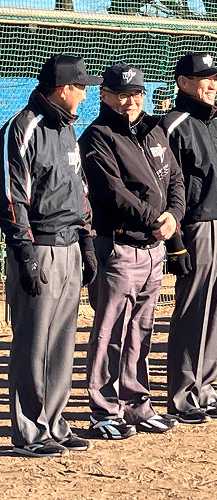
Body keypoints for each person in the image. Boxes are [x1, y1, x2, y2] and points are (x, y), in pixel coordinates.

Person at [0, 54, 100, 457]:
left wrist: (87, 239)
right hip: (39, 247)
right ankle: (29, 432)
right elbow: (11, 197)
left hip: (70, 244)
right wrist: (24, 254)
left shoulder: (67, 129)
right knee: (32, 342)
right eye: (82, 87)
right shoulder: (22, 127)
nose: (85, 95)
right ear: (64, 89)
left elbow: (80, 187)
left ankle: (54, 423)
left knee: (61, 341)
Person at [79, 64, 185, 439]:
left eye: (136, 93)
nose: (130, 101)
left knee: (141, 330)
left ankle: (137, 405)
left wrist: (173, 216)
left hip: (153, 247)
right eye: (122, 95)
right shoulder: (97, 136)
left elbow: (175, 179)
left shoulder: (154, 130)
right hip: (118, 246)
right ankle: (105, 411)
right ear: (105, 95)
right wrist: (155, 218)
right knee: (111, 332)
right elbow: (111, 192)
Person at [161, 52, 217, 423]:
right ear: (183, 83)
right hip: (196, 227)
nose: (212, 85)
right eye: (205, 78)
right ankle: (183, 395)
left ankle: (205, 391)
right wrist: (175, 242)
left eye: (216, 79)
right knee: (194, 310)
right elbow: (166, 185)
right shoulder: (172, 124)